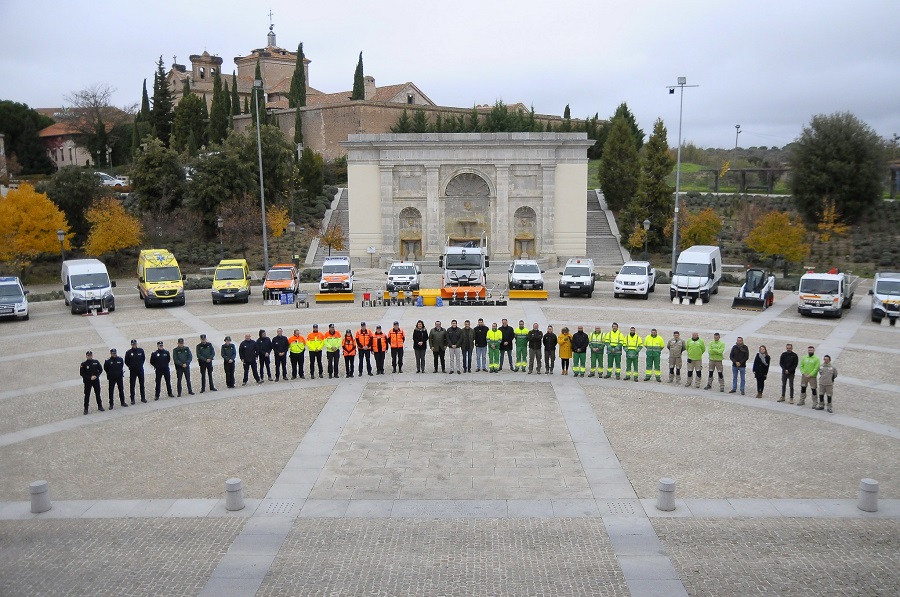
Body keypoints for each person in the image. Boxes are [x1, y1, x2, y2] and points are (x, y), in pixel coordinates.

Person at [80, 350, 103, 415]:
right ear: (86, 356)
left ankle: (100, 406)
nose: (90, 356)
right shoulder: (83, 364)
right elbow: (82, 373)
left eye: (90, 355)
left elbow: (100, 369)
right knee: (87, 395)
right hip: (88, 382)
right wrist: (89, 377)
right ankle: (86, 409)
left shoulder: (96, 362)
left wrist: (96, 376)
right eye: (88, 355)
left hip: (95, 380)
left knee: (98, 393)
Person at [124, 339, 146, 404]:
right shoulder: (128, 352)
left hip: (140, 370)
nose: (134, 345)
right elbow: (126, 361)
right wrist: (131, 366)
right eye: (133, 344)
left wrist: (140, 364)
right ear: (131, 345)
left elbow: (143, 358)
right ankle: (132, 399)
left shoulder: (141, 350)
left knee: (142, 384)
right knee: (132, 385)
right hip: (133, 371)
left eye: (135, 344)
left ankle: (143, 397)